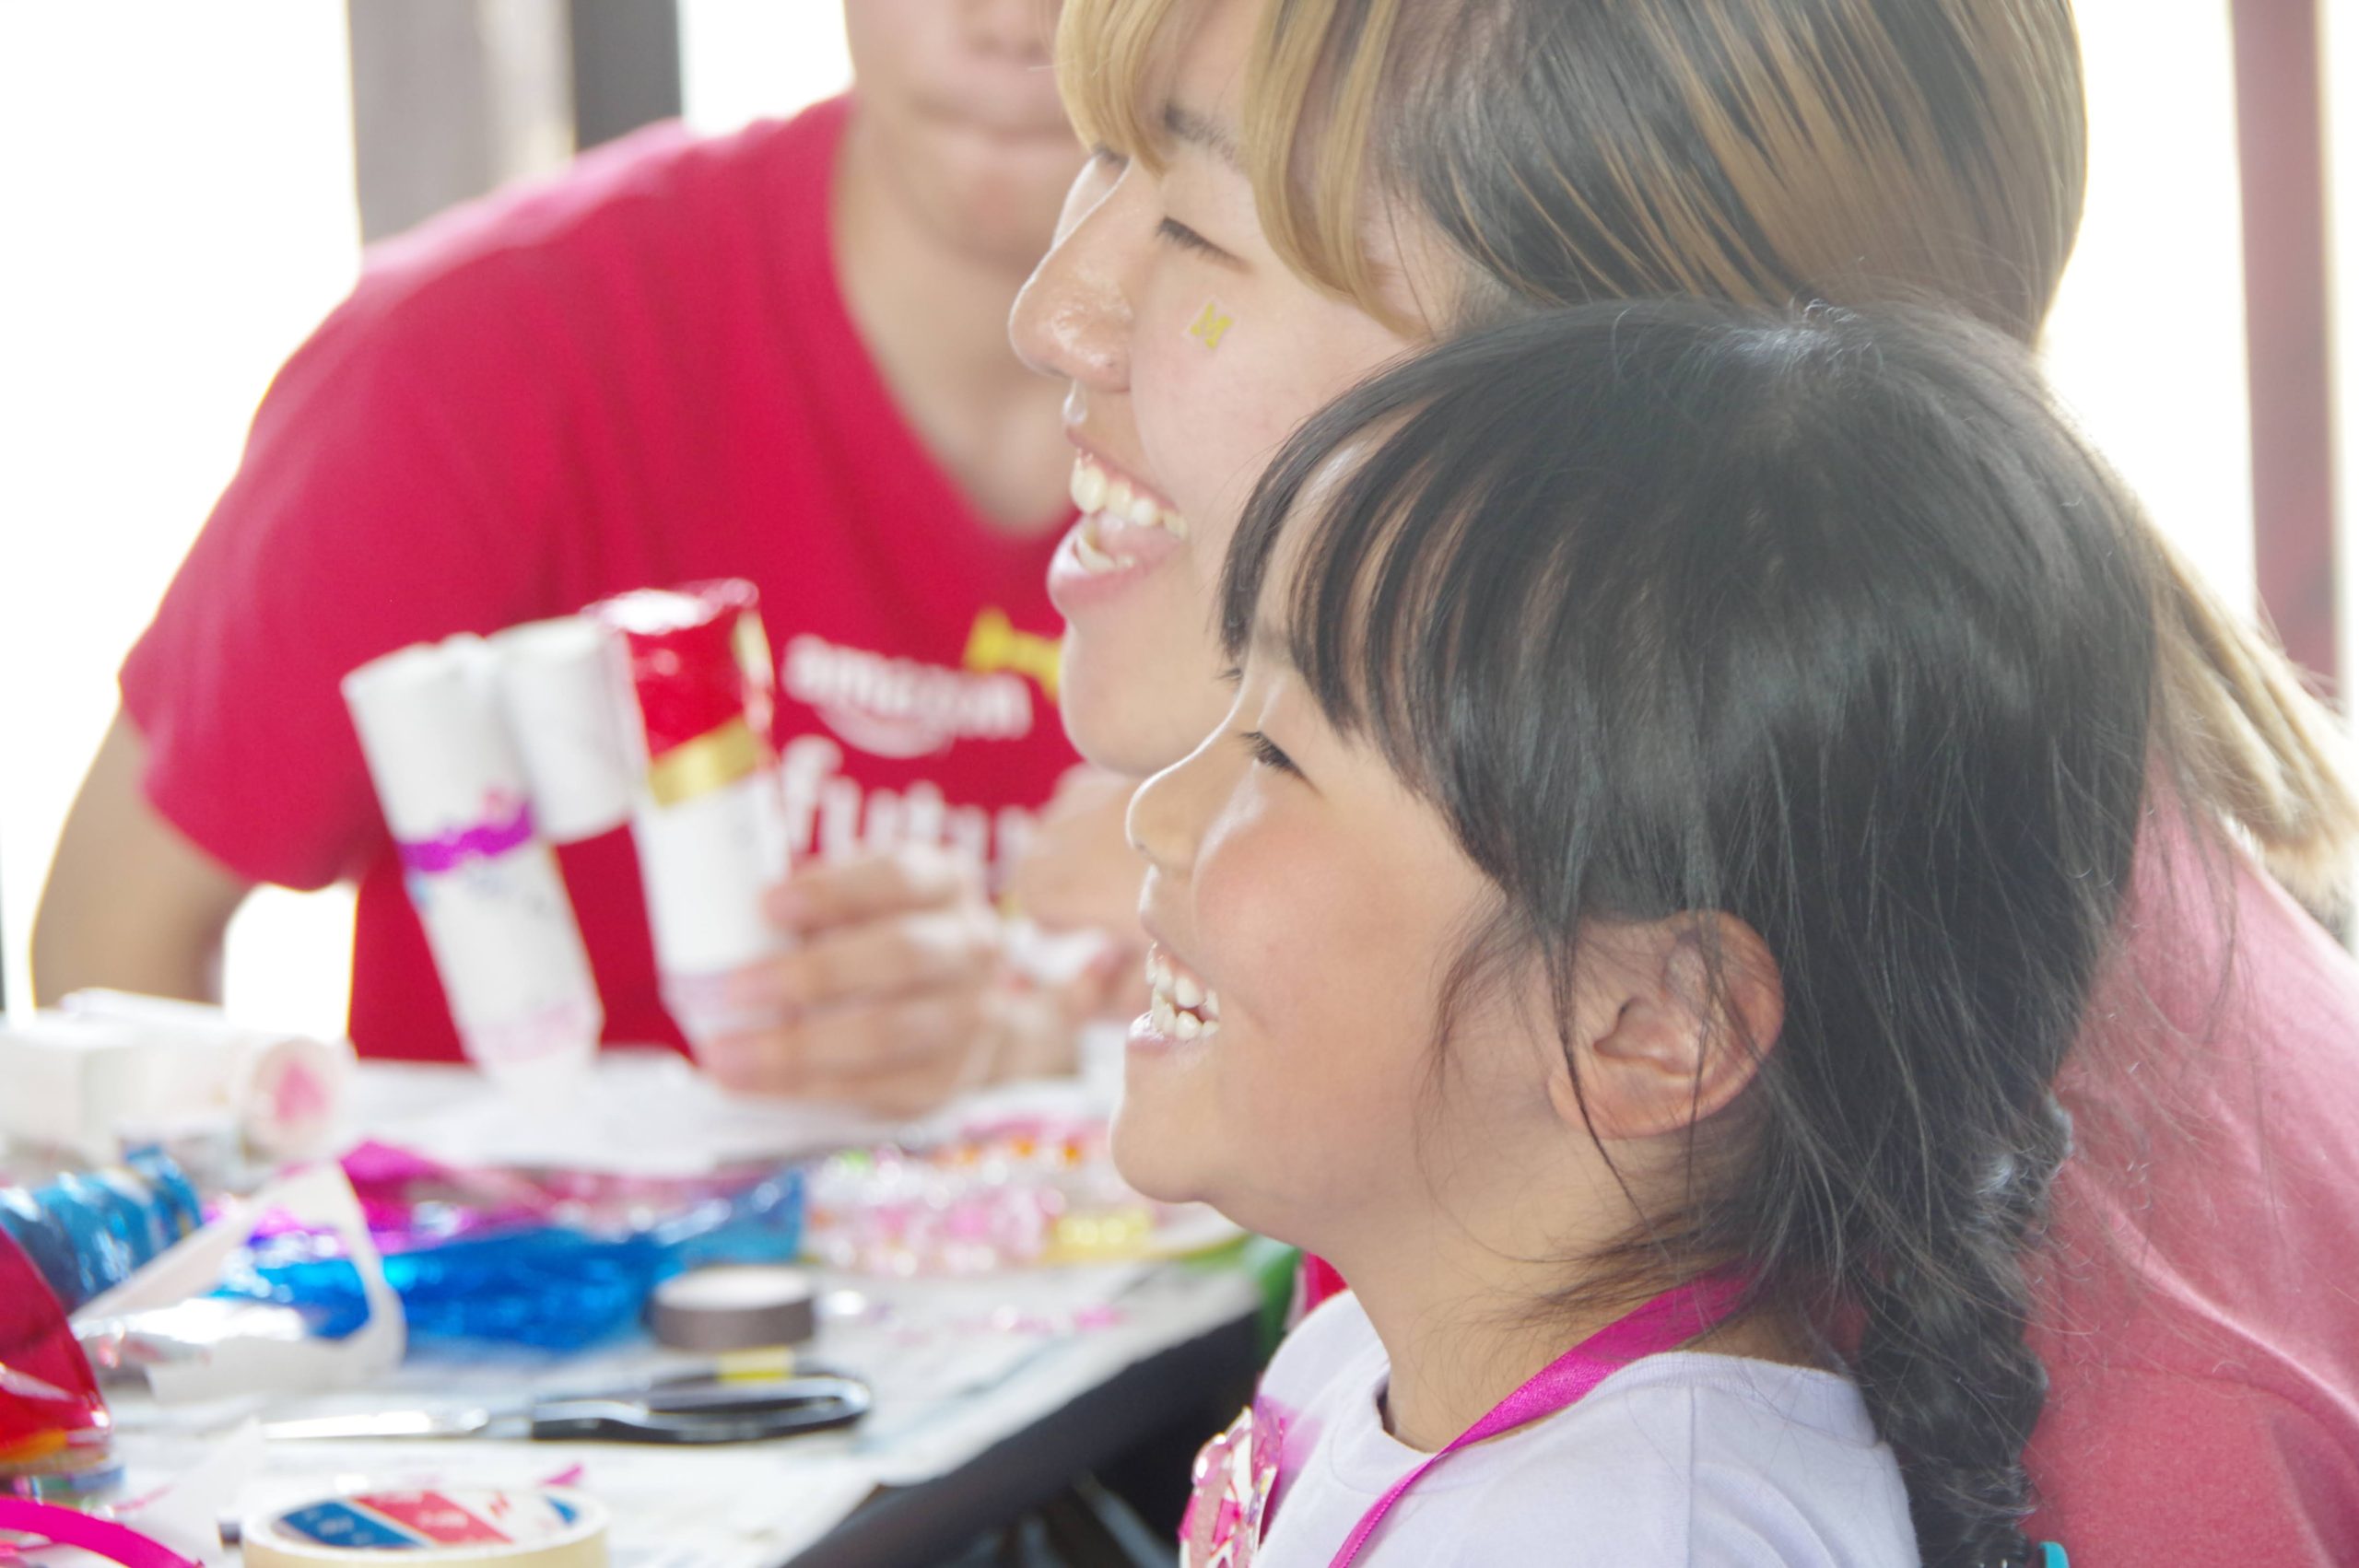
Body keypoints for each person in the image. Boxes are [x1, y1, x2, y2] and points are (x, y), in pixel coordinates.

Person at [1012, 0, 2359, 1559]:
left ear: (1663, 414)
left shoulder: (2127, 1440)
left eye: (1192, 224)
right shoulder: (1545, 1076)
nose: (1053, 312)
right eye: (1099, 159)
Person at [1127, 298, 2156, 1566]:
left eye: (1276, 753)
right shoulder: (1368, 1367)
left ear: (1649, 1023)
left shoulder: (1633, 1533)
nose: (1153, 812)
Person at [33, 0, 1130, 1111]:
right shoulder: (472, 359)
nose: (1010, 21)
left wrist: (1057, 1024)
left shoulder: (1260, 392)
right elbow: (110, 941)